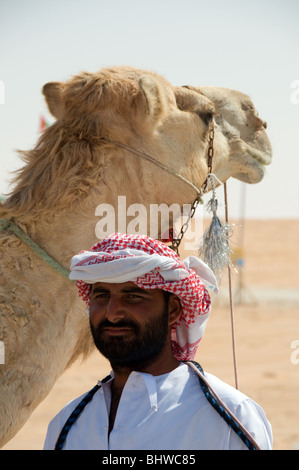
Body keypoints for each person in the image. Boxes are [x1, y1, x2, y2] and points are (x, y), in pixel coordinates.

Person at [43, 233, 272, 450]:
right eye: (101, 296)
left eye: (132, 296)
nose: (112, 313)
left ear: (173, 309)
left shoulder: (231, 416)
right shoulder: (67, 425)